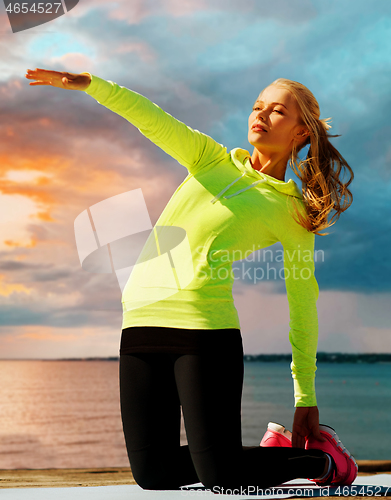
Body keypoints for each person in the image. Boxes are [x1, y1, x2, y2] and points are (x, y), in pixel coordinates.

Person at [25, 68, 357, 492]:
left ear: (301, 132)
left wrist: (304, 395)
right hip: (140, 325)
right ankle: (273, 455)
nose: (261, 115)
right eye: (258, 106)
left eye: (277, 112)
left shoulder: (291, 212)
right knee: (153, 476)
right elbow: (152, 118)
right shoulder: (209, 157)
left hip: (203, 333)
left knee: (222, 477)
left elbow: (303, 305)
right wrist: (93, 85)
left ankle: (323, 462)